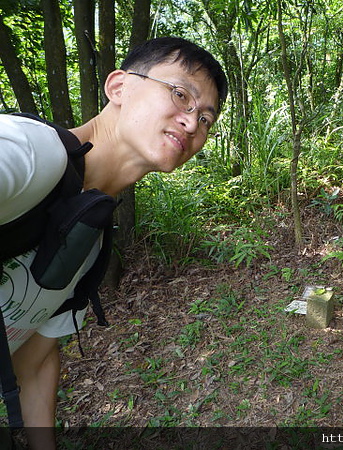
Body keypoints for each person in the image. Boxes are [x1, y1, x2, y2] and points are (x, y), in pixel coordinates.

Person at [0, 36, 228, 448]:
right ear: (119, 87)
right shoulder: (29, 152)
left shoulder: (89, 237)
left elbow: (33, 362)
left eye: (206, 119)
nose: (193, 124)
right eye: (180, 95)